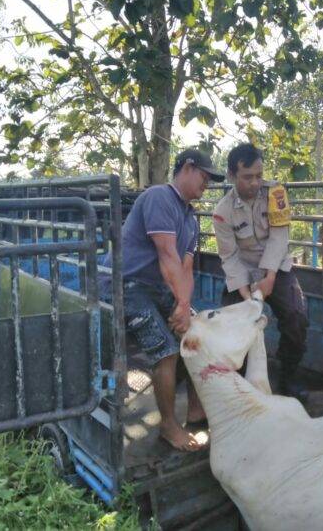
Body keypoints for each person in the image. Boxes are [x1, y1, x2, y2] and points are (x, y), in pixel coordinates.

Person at [111, 148, 224, 451]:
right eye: (205, 176)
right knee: (167, 349)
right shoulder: (160, 197)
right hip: (126, 285)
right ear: (187, 167)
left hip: (158, 287)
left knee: (201, 335)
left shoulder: (190, 217)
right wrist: (181, 305)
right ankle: (168, 426)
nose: (207, 184)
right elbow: (167, 257)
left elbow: (185, 268)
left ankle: (197, 411)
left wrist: (184, 307)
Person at [212, 143, 308, 397]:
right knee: (230, 324)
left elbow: (279, 237)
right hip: (242, 271)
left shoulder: (276, 193)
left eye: (258, 175)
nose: (254, 183)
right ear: (232, 176)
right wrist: (247, 296)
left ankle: (288, 377)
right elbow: (229, 257)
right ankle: (239, 386)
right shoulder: (222, 213)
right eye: (247, 177)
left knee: (297, 318)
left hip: (276, 266)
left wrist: (270, 277)